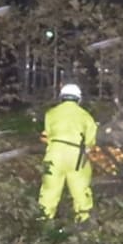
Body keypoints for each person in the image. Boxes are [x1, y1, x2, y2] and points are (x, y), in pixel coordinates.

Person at [38, 83, 98, 224]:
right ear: (79, 99)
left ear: (61, 97)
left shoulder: (51, 113)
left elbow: (47, 134)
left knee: (48, 189)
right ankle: (83, 220)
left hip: (54, 154)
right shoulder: (86, 116)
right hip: (75, 155)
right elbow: (90, 141)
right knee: (81, 190)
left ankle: (43, 222)